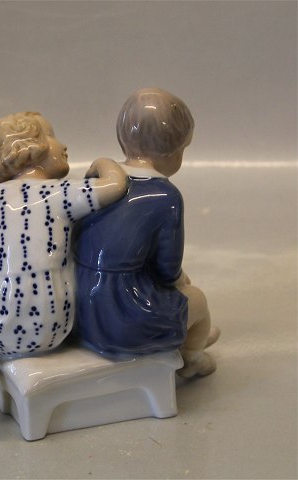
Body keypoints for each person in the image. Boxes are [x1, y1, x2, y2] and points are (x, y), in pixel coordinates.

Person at [0, 111, 128, 432]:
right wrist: (103, 162)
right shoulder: (61, 193)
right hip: (56, 324)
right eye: (52, 136)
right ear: (29, 148)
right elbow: (116, 185)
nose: (63, 145)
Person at [73, 88, 220, 378]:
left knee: (173, 295)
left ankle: (183, 334)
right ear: (173, 152)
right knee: (197, 300)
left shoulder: (101, 182)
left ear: (122, 140)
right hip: (122, 317)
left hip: (80, 309)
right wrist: (180, 280)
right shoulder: (165, 196)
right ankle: (192, 356)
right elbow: (167, 270)